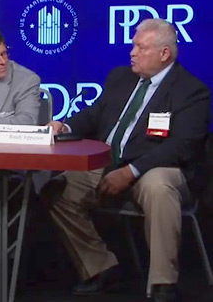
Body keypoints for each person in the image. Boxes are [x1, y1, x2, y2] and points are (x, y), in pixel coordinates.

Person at [43, 19, 210, 302]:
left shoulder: (191, 91)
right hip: (109, 164)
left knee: (158, 187)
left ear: (164, 53)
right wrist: (66, 126)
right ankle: (101, 268)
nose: (132, 52)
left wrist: (131, 171)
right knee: (56, 188)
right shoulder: (120, 78)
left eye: (140, 47)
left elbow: (182, 146)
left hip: (157, 168)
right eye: (134, 45)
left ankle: (162, 284)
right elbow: (95, 114)